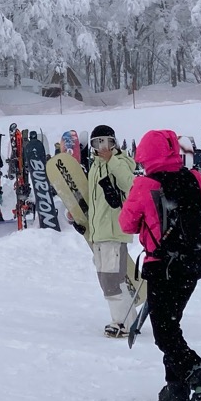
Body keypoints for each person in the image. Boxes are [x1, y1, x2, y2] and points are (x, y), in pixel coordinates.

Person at [119, 129, 201, 401]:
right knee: (171, 325)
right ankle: (176, 387)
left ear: (145, 155)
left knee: (165, 334)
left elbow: (126, 224)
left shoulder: (144, 185)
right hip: (192, 266)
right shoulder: (194, 179)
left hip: (162, 267)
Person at [85, 124, 139, 337]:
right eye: (96, 143)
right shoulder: (94, 167)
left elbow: (130, 184)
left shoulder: (120, 162)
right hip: (100, 233)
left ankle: (122, 322)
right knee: (109, 278)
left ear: (113, 142)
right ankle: (129, 319)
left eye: (105, 141)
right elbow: (94, 201)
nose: (102, 147)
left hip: (114, 230)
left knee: (111, 280)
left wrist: (112, 160)